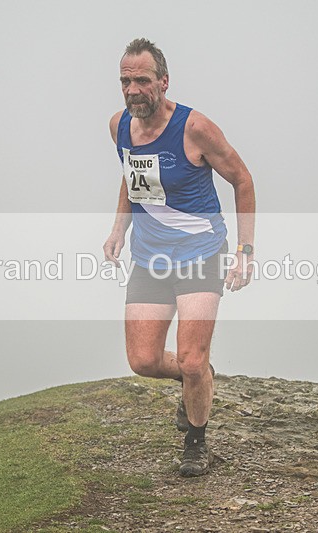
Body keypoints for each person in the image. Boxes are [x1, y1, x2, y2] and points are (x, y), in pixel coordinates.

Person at [103, 38, 255, 477]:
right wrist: (118, 230)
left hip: (200, 253)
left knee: (190, 358)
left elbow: (243, 180)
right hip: (150, 257)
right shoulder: (118, 127)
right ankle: (195, 378)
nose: (133, 90)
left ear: (163, 82)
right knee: (144, 361)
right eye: (125, 81)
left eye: (142, 81)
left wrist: (246, 250)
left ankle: (196, 441)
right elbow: (133, 179)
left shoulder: (195, 128)